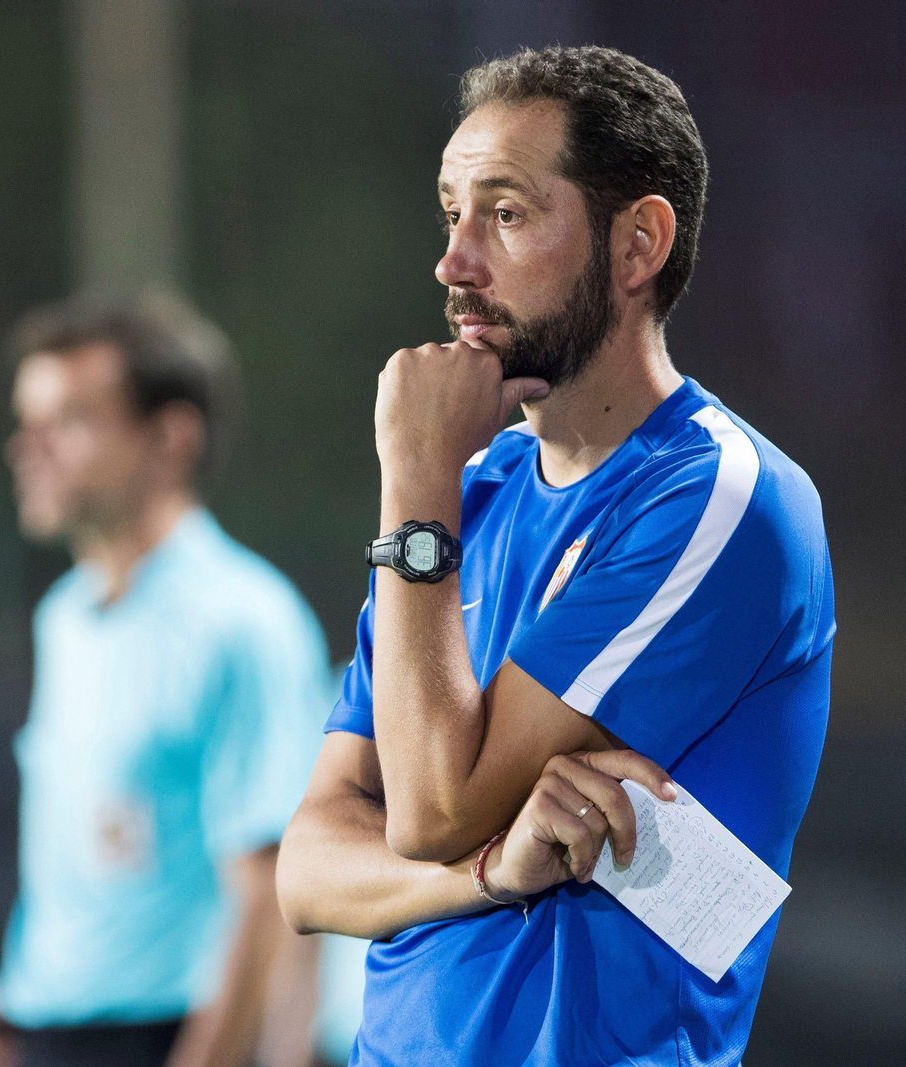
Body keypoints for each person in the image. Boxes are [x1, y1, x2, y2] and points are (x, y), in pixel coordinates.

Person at [276, 45, 835, 1067]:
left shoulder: (715, 496)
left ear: (637, 244)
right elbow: (309, 869)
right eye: (449, 212)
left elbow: (433, 807)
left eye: (506, 211)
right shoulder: (469, 490)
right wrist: (491, 871)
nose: (454, 262)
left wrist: (409, 481)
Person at [0, 293, 332, 1067]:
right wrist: (9, 1007)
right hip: (46, 1032)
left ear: (170, 437)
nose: (29, 447)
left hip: (164, 1038)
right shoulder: (64, 616)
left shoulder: (245, 621)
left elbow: (272, 897)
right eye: (28, 420)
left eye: (71, 419)